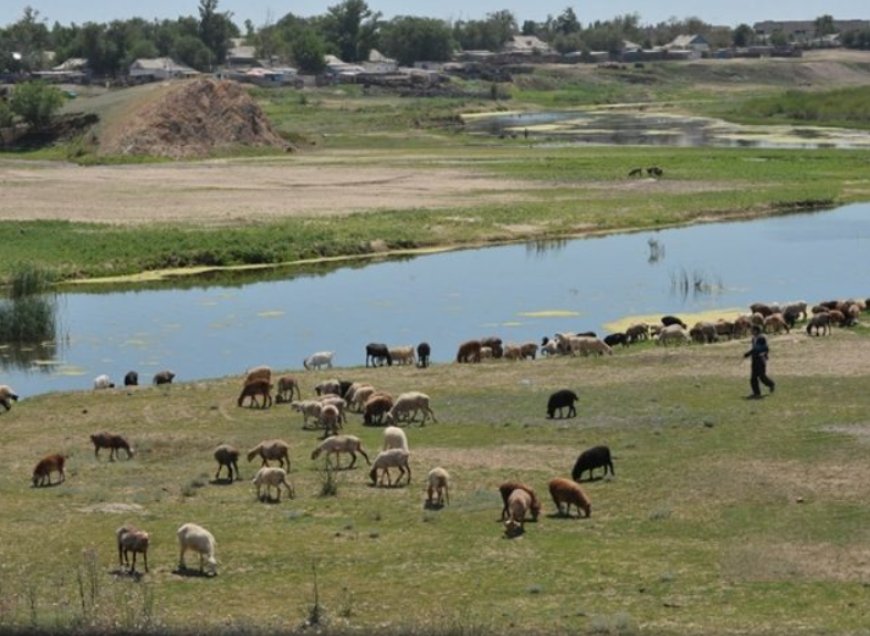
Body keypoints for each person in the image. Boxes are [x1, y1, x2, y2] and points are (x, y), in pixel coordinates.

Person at [743, 325, 775, 399]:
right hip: (755, 359)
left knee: (762, 376)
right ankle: (756, 393)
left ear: (756, 331)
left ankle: (771, 384)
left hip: (760, 359)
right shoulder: (753, 338)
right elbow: (754, 348)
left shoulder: (761, 338)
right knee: (753, 377)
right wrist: (750, 354)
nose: (751, 331)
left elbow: (760, 348)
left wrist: (748, 353)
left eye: (752, 330)